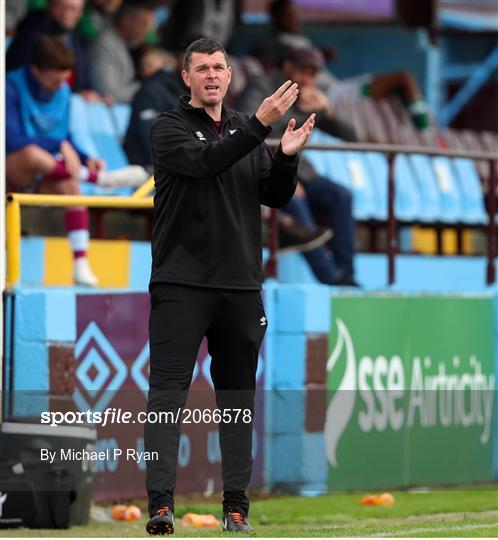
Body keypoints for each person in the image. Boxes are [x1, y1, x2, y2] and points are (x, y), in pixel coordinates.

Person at [144, 37, 315, 535]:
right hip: (181, 283)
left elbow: (273, 197)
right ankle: (160, 505)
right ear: (187, 78)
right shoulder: (168, 128)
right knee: (167, 394)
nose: (212, 75)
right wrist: (261, 126)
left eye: (219, 67)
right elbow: (206, 163)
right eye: (202, 69)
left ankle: (236, 507)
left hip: (240, 287)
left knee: (237, 400)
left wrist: (284, 156)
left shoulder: (244, 127)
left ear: (229, 74)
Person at [6, 36, 149, 286]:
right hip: (11, 171)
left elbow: (64, 136)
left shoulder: (62, 92)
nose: (59, 85)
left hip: (44, 173)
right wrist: (59, 146)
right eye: (54, 79)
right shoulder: (9, 88)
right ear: (35, 70)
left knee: (72, 188)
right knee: (33, 154)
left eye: (64, 79)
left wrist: (86, 158)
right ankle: (100, 180)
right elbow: (11, 139)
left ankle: (80, 263)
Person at [238, 46, 359, 286]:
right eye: (303, 71)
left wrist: (327, 109)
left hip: (299, 171)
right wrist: (281, 172)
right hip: (265, 171)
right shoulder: (261, 86)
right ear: (287, 65)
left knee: (341, 196)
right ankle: (329, 276)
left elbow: (352, 134)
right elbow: (248, 131)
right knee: (294, 196)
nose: (308, 79)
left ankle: (346, 273)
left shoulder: (309, 95)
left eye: (313, 74)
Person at [6, 0, 99, 100]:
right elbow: (22, 78)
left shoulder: (77, 37)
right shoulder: (31, 33)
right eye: (63, 7)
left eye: (74, 9)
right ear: (50, 5)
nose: (67, 14)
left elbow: (85, 80)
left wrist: (90, 93)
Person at [89, 1, 155, 103]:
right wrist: (150, 86)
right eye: (144, 23)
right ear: (126, 21)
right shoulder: (105, 45)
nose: (147, 30)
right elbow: (108, 94)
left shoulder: (127, 44)